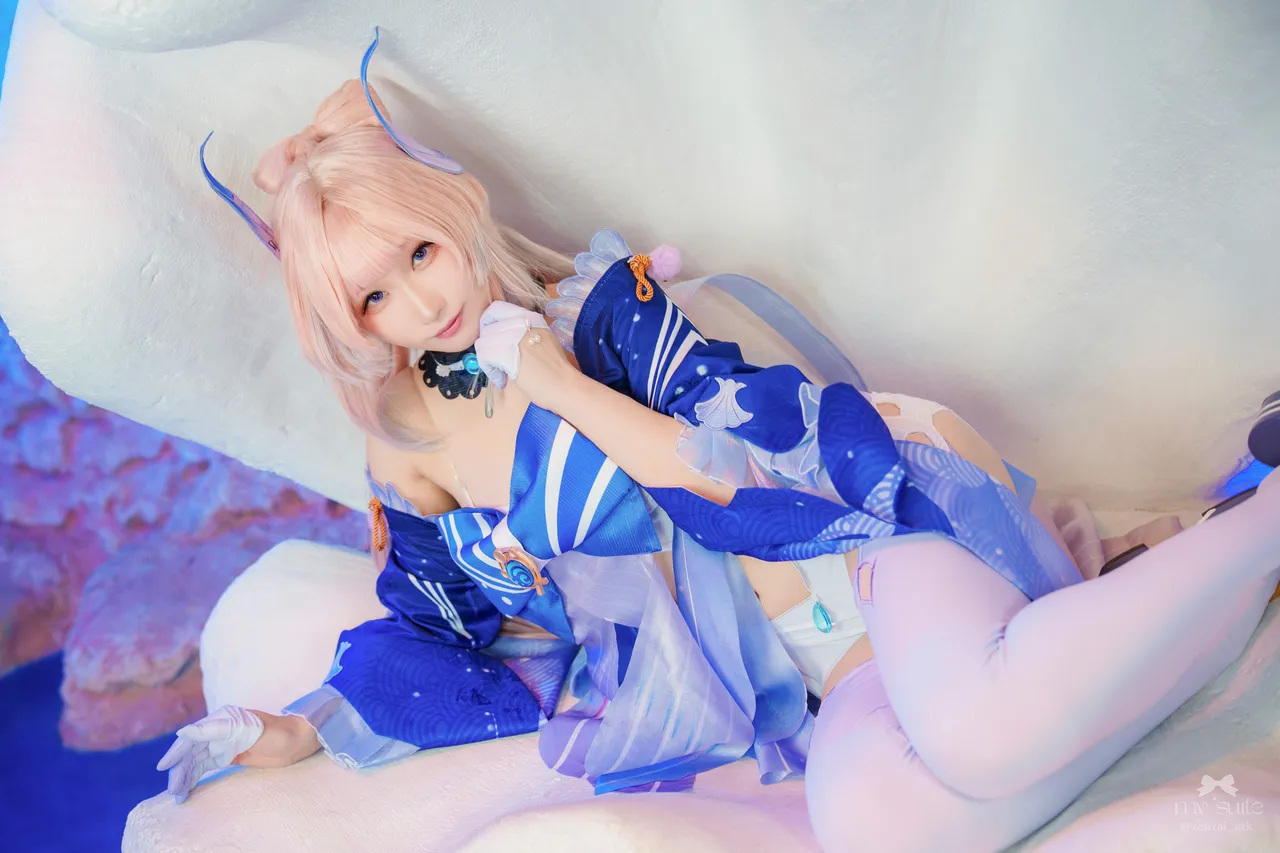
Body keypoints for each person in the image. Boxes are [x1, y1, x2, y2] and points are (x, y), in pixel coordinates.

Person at [159, 30, 1280, 852]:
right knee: (877, 830)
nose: (421, 303)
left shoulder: (602, 311)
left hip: (863, 534)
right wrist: (304, 726)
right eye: (371, 298)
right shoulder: (408, 451)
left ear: (452, 217)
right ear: (344, 324)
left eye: (418, 253)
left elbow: (738, 468)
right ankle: (1159, 614)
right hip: (807, 667)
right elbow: (442, 629)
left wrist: (557, 382)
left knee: (974, 729)